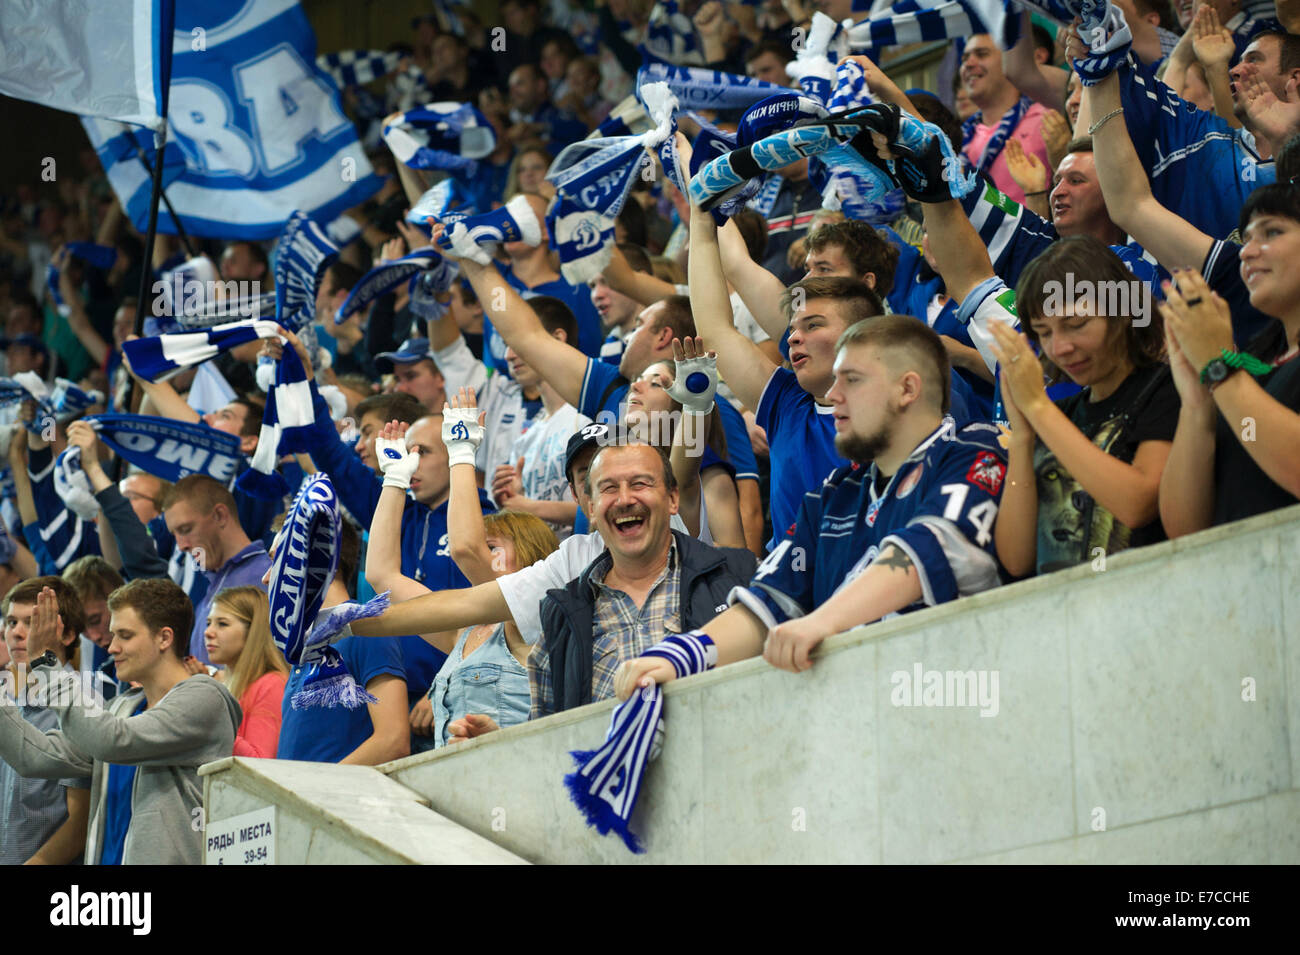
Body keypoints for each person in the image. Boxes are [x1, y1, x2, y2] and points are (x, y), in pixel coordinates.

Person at [613, 315, 1008, 694]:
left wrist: (820, 622)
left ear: (907, 389)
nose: (833, 395)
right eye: (834, 380)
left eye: (851, 380)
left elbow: (927, 549)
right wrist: (685, 654)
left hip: (961, 702)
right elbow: (768, 600)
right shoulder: (833, 494)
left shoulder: (974, 448)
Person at [0, 578, 240, 865]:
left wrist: (46, 666)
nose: (111, 647)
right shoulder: (123, 706)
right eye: (113, 635)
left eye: (125, 635)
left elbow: (115, 741)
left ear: (164, 638)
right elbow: (34, 758)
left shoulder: (203, 698)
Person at [364, 415, 559, 747]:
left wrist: (462, 452)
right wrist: (395, 479)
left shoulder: (530, 623)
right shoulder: (462, 633)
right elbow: (381, 575)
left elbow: (465, 548)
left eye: (493, 547)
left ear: (530, 558)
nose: (481, 555)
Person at [990, 237, 1179, 577]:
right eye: (1043, 333)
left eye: (1076, 325)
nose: (1059, 348)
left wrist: (1038, 409)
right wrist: (1021, 438)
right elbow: (1016, 558)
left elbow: (1138, 504)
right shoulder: (1055, 416)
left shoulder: (1167, 389)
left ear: (1121, 313)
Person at [530, 442, 757, 719]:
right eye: (609, 488)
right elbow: (545, 739)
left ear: (673, 499)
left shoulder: (741, 576)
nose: (624, 499)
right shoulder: (560, 615)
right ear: (591, 508)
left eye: (640, 484)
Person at [0, 577, 91, 864]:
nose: (16, 632)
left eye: (32, 622)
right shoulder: (8, 701)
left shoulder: (82, 705)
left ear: (67, 635)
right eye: (11, 622)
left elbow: (79, 826)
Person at [161, 475, 271, 665]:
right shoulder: (213, 587)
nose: (181, 545)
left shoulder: (266, 578)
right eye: (175, 534)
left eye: (186, 529)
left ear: (220, 515)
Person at [960, 33, 1053, 205]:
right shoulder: (960, 137)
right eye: (964, 58)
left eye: (981, 54)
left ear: (1010, 62)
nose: (968, 64)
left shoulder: (1048, 118)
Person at [202, 586, 287, 758]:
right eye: (209, 623)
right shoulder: (229, 682)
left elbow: (259, 762)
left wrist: (206, 721)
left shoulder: (271, 684)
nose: (208, 632)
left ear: (253, 630)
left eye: (222, 624)